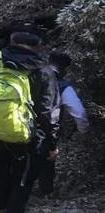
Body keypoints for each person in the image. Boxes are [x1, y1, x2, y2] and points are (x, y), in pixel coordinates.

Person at [0, 31, 60, 213]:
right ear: (37, 47)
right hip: (29, 137)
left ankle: (1, 205)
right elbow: (48, 112)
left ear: (12, 42)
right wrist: (52, 143)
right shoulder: (43, 70)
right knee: (23, 180)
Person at [38, 51, 89, 196]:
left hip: (24, 124)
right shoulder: (64, 86)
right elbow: (79, 113)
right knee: (47, 161)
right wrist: (83, 131)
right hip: (49, 129)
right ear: (65, 68)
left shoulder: (33, 76)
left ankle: (20, 190)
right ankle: (45, 193)